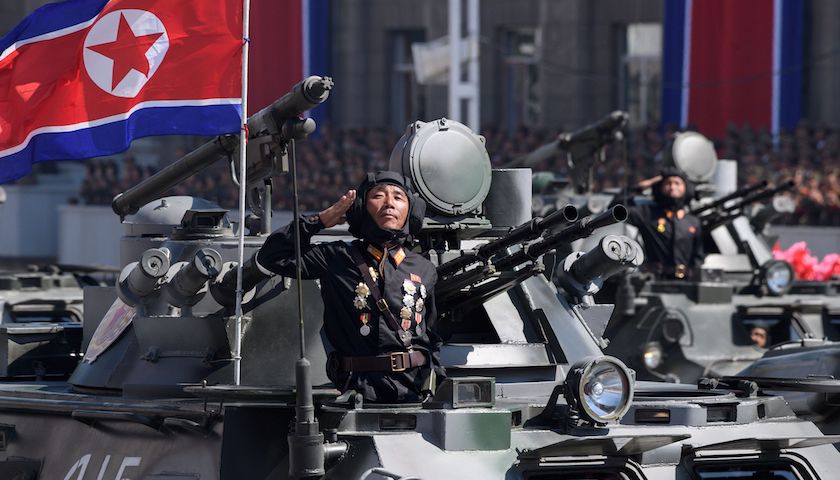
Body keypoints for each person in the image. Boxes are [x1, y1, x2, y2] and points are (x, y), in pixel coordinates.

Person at [255, 171, 444, 403]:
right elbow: (271, 256)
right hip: (358, 391)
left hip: (413, 391)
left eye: (398, 197)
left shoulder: (424, 268)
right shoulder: (336, 257)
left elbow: (431, 334)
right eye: (378, 196)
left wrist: (433, 381)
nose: (389, 203)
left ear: (411, 210)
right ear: (362, 207)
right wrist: (320, 221)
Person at [622, 167, 704, 279]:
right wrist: (643, 185)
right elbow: (616, 208)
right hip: (654, 280)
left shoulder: (693, 222)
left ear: (686, 188)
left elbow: (698, 257)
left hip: (686, 283)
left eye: (677, 183)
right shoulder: (647, 214)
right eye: (668, 183)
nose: (672, 187)